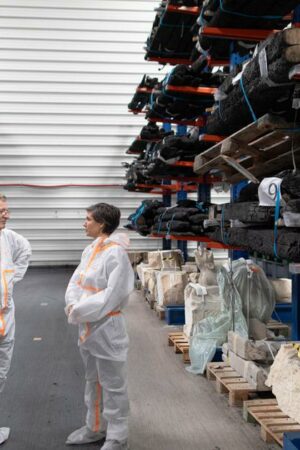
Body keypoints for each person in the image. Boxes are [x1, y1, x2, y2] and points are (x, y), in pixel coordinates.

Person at [65, 203, 134, 450]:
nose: (84, 223)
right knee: (92, 379)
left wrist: (79, 309)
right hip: (87, 327)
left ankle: (117, 436)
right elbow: (76, 282)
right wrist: (73, 304)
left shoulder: (116, 254)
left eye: (88, 219)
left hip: (107, 327)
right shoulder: (91, 249)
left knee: (113, 384)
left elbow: (112, 295)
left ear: (102, 224)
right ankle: (94, 427)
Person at [0, 193, 31, 444]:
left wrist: (11, 282)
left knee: (2, 366)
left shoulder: (8, 238)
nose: (6, 214)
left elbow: (25, 251)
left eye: (6, 210)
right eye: (1, 210)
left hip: (5, 313)